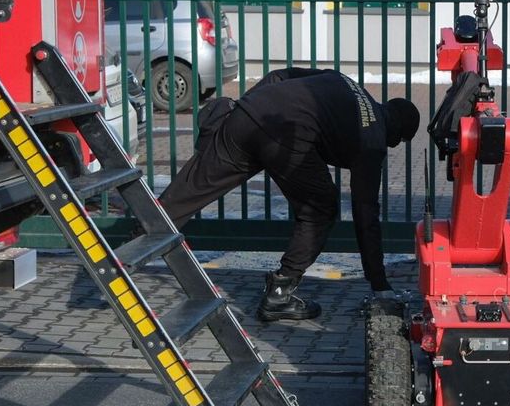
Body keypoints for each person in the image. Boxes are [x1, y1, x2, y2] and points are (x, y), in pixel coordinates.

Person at [157, 68, 421, 322]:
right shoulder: (373, 138)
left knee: (188, 194)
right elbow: (365, 213)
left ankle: (139, 239)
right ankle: (279, 293)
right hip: (286, 136)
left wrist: (246, 107)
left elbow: (278, 76)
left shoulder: (344, 81)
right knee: (321, 210)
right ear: (397, 135)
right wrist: (379, 282)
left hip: (248, 113)